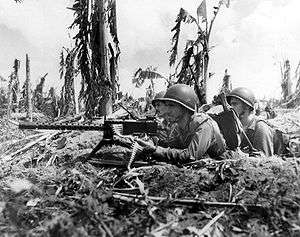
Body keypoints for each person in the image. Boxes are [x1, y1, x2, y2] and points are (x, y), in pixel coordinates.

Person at [137, 84, 227, 164]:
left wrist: (158, 151)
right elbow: (171, 146)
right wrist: (152, 144)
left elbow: (192, 156)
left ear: (185, 107)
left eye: (171, 106)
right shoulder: (177, 127)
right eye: (167, 105)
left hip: (223, 165)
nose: (167, 110)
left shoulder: (204, 125)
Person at [227, 87, 274, 156]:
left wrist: (241, 155)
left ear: (247, 106)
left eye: (235, 104)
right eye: (231, 104)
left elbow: (265, 160)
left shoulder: (260, 127)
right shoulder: (236, 127)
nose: (231, 107)